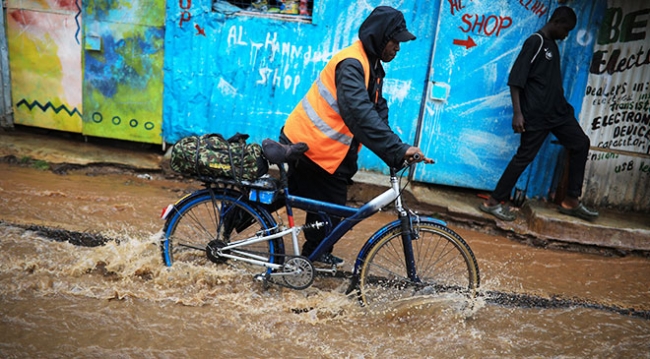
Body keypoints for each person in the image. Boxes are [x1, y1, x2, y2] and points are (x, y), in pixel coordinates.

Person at [279, 6, 433, 266]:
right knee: (324, 203)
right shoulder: (352, 64)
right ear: (381, 37)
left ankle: (311, 256)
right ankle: (308, 256)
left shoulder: (371, 64)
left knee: (322, 205)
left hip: (326, 150)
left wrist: (398, 149)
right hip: (309, 146)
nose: (398, 48)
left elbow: (377, 111)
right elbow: (359, 115)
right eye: (395, 41)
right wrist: (395, 149)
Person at [479, 6, 598, 222]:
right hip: (536, 115)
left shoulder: (552, 45)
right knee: (524, 157)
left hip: (558, 113)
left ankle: (571, 200)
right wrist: (518, 113)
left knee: (581, 143)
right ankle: (493, 202)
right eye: (566, 29)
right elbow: (516, 79)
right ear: (557, 22)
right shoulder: (536, 42)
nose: (566, 35)